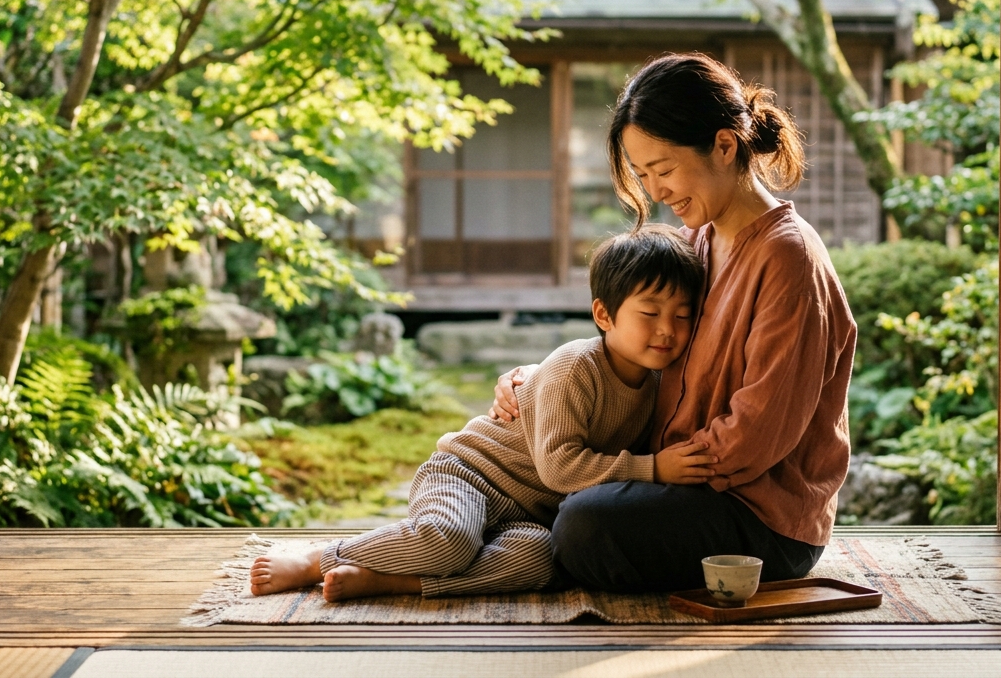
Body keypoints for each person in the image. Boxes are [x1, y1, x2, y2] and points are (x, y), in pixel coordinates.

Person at [490, 53, 858, 593]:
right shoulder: (696, 242)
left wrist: (658, 469)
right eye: (642, 175)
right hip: (677, 483)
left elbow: (758, 433)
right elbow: (630, 346)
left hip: (756, 516)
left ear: (724, 145)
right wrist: (538, 380)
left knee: (584, 523)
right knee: (545, 485)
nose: (656, 191)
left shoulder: (788, 258)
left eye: (663, 169)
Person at [248, 225, 712, 601]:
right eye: (650, 313)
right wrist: (653, 469)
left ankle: (401, 581)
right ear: (604, 314)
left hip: (526, 514)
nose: (667, 330)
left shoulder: (663, 381)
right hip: (468, 475)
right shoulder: (575, 367)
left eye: (683, 314)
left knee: (542, 560)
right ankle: (318, 558)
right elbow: (560, 466)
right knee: (449, 539)